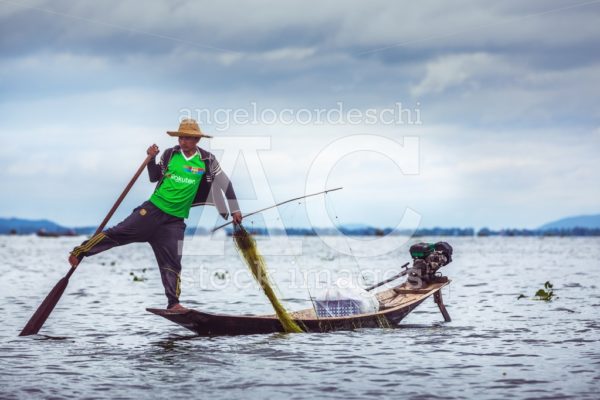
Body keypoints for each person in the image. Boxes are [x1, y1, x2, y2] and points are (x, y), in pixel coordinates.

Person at [68, 118, 242, 310]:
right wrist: (151, 159)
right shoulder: (170, 155)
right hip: (152, 211)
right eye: (181, 137)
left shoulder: (207, 160)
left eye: (187, 138)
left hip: (174, 221)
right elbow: (154, 177)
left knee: (173, 262)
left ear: (197, 140)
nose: (182, 141)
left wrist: (234, 209)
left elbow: (225, 183)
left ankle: (173, 303)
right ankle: (81, 251)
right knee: (117, 233)